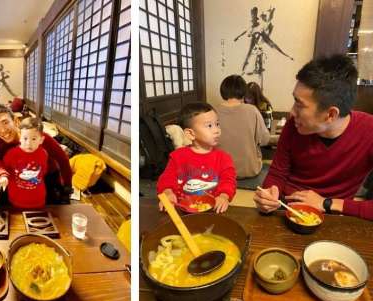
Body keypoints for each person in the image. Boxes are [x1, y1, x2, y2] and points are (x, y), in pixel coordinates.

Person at [254, 54, 373, 221]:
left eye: (299, 104)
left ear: (331, 114)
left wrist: (326, 203)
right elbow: (278, 173)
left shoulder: (369, 132)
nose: (292, 112)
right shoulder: (294, 124)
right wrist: (269, 193)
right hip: (286, 210)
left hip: (333, 217)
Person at [157, 102, 236, 213]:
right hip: (183, 210)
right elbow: (166, 178)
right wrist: (168, 193)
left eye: (217, 124)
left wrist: (223, 196)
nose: (217, 130)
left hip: (213, 210)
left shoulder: (223, 158)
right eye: (209, 126)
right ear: (190, 134)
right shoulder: (177, 156)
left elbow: (228, 180)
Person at [0, 104, 73, 204]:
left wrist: (67, 187)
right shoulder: (0, 144)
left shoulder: (38, 138)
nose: (3, 130)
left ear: (16, 121)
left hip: (48, 178)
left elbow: (62, 159)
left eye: (5, 122)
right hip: (19, 183)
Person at [214, 75, 270, 178]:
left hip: (219, 171)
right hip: (249, 170)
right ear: (244, 91)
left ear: (223, 91)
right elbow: (265, 140)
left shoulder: (213, 111)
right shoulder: (252, 110)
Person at [3, 117, 49, 209]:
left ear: (41, 139)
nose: (29, 143)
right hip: (16, 199)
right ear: (20, 137)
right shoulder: (11, 154)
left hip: (38, 200)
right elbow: (5, 171)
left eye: (34, 139)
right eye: (25, 138)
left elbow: (44, 171)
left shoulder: (43, 153)